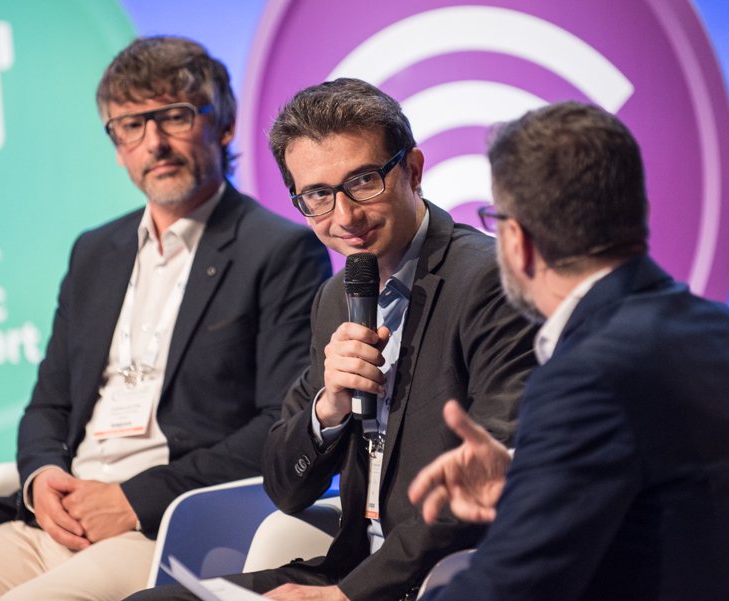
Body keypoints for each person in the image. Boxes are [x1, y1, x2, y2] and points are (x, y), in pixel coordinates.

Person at [0, 36, 330, 601]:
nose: (155, 143)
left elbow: (279, 424)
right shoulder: (96, 251)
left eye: (173, 117)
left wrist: (131, 500)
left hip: (168, 522)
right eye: (131, 125)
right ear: (117, 146)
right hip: (57, 518)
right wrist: (42, 478)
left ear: (222, 124)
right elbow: (49, 404)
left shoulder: (279, 251)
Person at [129, 78, 538, 601]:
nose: (344, 217)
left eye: (363, 181)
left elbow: (486, 480)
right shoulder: (334, 297)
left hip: (442, 579)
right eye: (319, 195)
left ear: (412, 170)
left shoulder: (489, 282)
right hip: (346, 568)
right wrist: (329, 408)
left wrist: (345, 597)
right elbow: (286, 487)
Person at [408, 101, 729, 600]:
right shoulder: (725, 330)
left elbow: (508, 591)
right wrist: (528, 481)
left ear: (518, 242)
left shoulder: (588, 373)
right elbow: (676, 507)